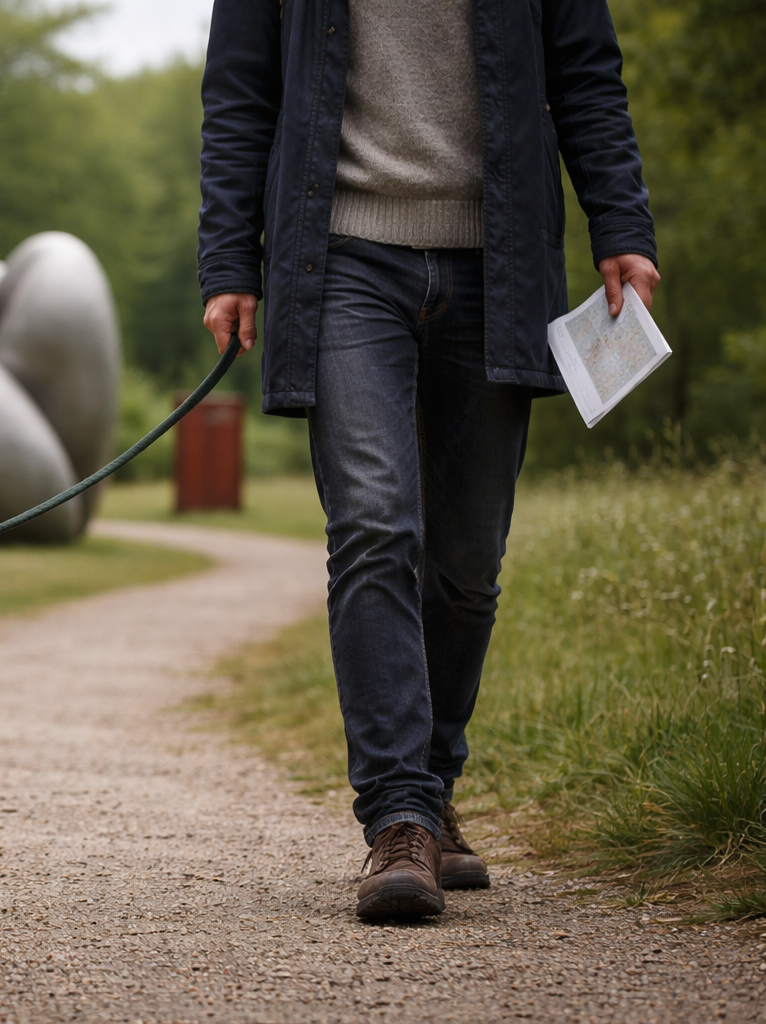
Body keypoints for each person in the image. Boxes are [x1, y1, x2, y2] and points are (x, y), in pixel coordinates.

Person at [197, 0, 659, 919]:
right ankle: (398, 817)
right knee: (372, 524)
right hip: (340, 258)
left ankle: (436, 785)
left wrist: (622, 223)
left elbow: (585, 74)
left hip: (500, 262)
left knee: (466, 564)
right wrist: (227, 261)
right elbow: (240, 92)